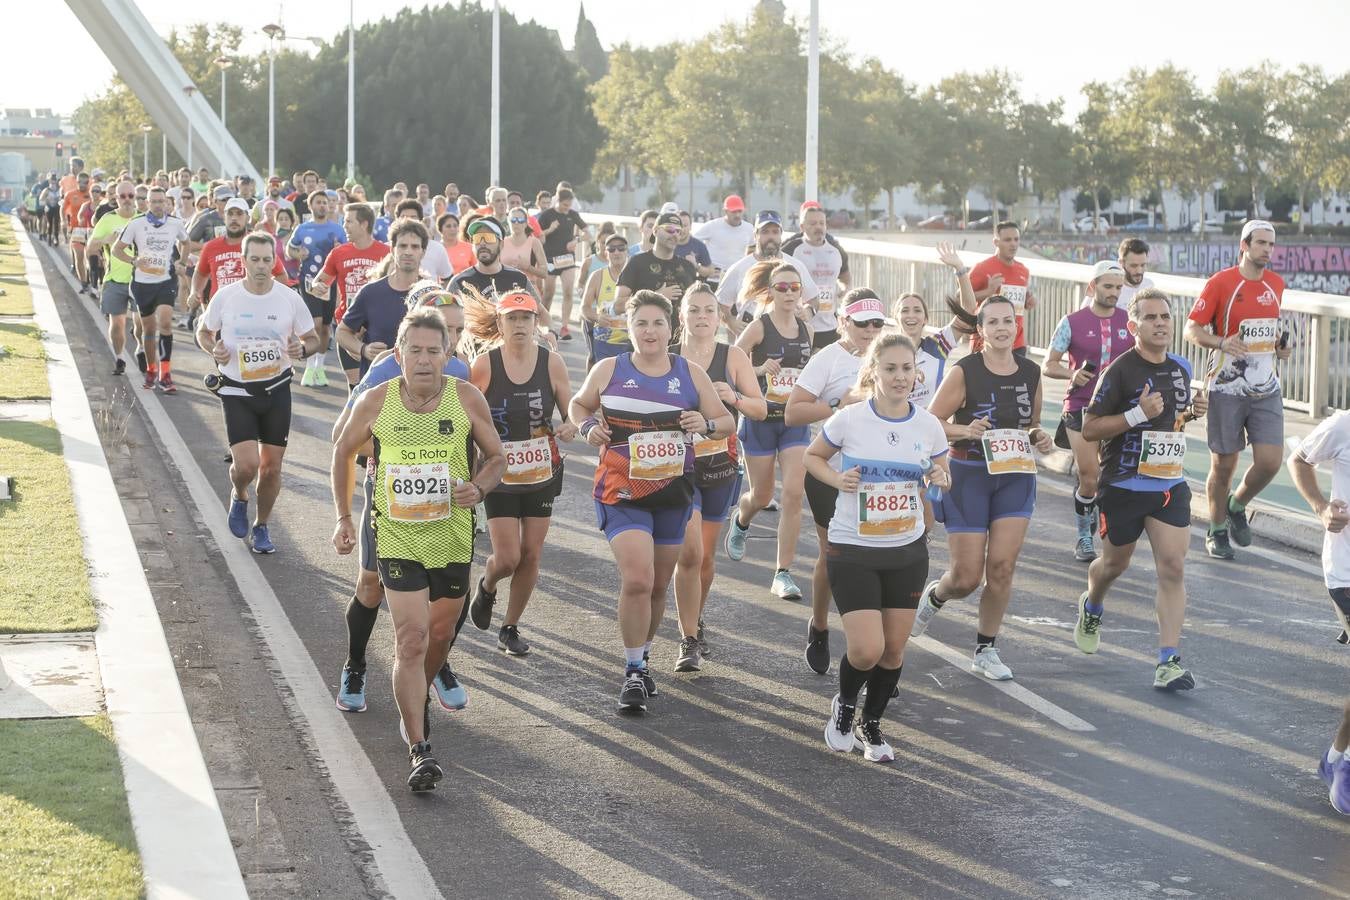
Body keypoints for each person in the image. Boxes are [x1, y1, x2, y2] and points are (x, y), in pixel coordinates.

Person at [332, 307, 505, 791]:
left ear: (447, 355)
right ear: (399, 353)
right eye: (415, 350)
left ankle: (418, 697)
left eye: (434, 351)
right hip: (398, 536)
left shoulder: (465, 398)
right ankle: (418, 745)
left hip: (451, 536)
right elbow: (342, 451)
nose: (425, 360)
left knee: (440, 632)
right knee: (411, 638)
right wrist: (345, 517)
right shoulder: (376, 400)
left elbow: (496, 458)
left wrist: (480, 487)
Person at [568, 290, 734, 711]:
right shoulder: (609, 369)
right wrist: (588, 426)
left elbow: (726, 422)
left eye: (657, 323)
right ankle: (633, 672)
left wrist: (707, 422)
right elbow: (578, 404)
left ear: (670, 328)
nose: (649, 331)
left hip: (672, 494)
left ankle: (642, 658)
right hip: (621, 492)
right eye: (641, 323)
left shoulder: (690, 373)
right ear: (630, 327)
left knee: (659, 585)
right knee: (638, 579)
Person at [808, 333, 951, 762]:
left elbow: (941, 472)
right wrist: (838, 480)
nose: (900, 377)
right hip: (853, 547)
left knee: (892, 650)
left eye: (907, 369)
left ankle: (872, 724)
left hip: (906, 550)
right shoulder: (849, 420)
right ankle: (844, 707)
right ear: (873, 372)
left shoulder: (928, 424)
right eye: (890, 369)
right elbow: (811, 458)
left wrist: (941, 479)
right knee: (867, 649)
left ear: (916, 374)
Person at [329, 287, 471, 715]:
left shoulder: (462, 369)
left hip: (450, 501)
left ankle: (437, 660)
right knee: (371, 586)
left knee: (450, 592)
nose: (435, 351)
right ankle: (355, 665)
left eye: (454, 332)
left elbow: (482, 428)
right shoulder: (384, 370)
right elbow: (344, 439)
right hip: (389, 495)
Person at [1069, 288, 1206, 692]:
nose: (1161, 323)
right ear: (1134, 327)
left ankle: (1168, 661)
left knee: (1174, 566)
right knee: (1114, 566)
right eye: (1151, 317)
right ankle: (1092, 605)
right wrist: (1135, 414)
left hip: (1168, 485)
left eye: (1166, 316)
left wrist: (1192, 413)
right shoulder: (1119, 372)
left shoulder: (1181, 367)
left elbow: (1174, 422)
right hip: (1123, 485)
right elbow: (1090, 427)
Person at [913, 295, 1053, 681]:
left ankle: (986, 649)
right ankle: (937, 595)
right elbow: (929, 423)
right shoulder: (964, 371)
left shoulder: (1031, 371)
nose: (1002, 328)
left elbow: (1032, 423)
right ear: (981, 330)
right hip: (970, 475)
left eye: (1008, 321)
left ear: (1016, 325)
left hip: (1016, 477)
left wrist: (1041, 438)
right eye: (993, 322)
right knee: (966, 577)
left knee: (1003, 567)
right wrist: (964, 430)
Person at [466, 291, 577, 655]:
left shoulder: (552, 363)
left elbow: (570, 413)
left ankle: (510, 627)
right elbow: (468, 415)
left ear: (535, 323)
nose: (518, 325)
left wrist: (569, 426)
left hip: (541, 471)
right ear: (499, 323)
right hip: (499, 473)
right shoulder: (484, 365)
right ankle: (487, 584)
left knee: (531, 554)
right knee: (508, 557)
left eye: (525, 318)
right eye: (511, 318)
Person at [196, 232, 320, 554]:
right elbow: (203, 332)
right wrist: (215, 350)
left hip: (277, 389)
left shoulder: (289, 298)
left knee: (271, 468)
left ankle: (262, 525)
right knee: (247, 466)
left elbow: (313, 338)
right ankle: (239, 494)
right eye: (255, 260)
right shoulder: (226, 296)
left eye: (268, 260)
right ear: (243, 261)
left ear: (274, 261)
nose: (262, 266)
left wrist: (302, 348)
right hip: (237, 390)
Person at [785, 290, 888, 673]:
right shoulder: (826, 359)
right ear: (843, 322)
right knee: (834, 557)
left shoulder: (891, 356)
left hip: (881, 477)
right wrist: (836, 405)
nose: (871, 330)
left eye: (877, 323)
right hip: (829, 471)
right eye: (863, 323)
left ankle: (880, 654)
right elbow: (793, 414)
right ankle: (820, 625)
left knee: (880, 559)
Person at [1184, 220, 1292, 560]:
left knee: (1271, 461)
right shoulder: (1222, 282)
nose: (1267, 250)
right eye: (1261, 243)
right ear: (1244, 245)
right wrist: (1221, 342)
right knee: (1224, 466)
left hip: (1265, 388)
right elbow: (1192, 329)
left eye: (1271, 245)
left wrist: (1281, 348)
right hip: (1227, 389)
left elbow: (1269, 333)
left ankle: (1237, 504)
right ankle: (1216, 530)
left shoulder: (1276, 284)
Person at [672, 283, 766, 671]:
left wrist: (735, 399)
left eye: (708, 310)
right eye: (693, 310)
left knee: (706, 558)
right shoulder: (669, 357)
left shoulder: (734, 356)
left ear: (718, 316)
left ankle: (696, 617)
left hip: (721, 468)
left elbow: (760, 410)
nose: (701, 317)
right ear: (683, 317)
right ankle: (688, 638)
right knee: (689, 555)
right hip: (679, 469)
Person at [724, 260, 815, 600]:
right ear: (770, 291)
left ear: (801, 291)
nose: (789, 293)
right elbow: (732, 362)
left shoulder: (806, 329)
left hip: (793, 423)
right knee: (762, 495)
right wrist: (759, 368)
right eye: (782, 287)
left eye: (794, 287)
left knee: (793, 493)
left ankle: (783, 572)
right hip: (761, 421)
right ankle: (742, 519)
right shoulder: (760, 327)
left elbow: (810, 373)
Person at [1043, 260, 1135, 562]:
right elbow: (1049, 364)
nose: (1113, 293)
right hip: (1080, 405)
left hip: (1117, 409)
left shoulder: (1130, 320)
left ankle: (1096, 514)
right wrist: (1072, 375)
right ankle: (1084, 536)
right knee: (1089, 475)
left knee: (1108, 477)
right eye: (1108, 286)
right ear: (1092, 287)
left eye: (1119, 288)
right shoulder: (1071, 321)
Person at [1289, 411, 1350, 814]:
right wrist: (1321, 507)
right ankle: (1344, 766)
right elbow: (1299, 459)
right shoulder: (1344, 425)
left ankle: (1335, 757)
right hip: (1347, 571)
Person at [113, 186, 189, 392]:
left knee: (165, 323)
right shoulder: (136, 224)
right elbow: (117, 249)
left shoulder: (175, 223)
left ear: (166, 202)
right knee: (148, 330)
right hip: (142, 284)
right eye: (153, 201)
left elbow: (186, 242)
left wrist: (180, 262)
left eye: (161, 201)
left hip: (165, 281)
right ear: (147, 203)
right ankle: (151, 369)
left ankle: (166, 374)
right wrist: (134, 260)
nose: (157, 204)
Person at [337, 219, 432, 380]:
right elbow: (342, 332)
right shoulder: (370, 292)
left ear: (423, 252)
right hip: (378, 386)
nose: (408, 251)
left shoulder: (431, 294)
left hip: (421, 387)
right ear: (392, 249)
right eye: (402, 246)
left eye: (415, 246)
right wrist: (363, 349)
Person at [311, 202, 390, 390]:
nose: (344, 226)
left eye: (348, 221)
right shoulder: (339, 253)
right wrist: (318, 287)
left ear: (364, 224)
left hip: (377, 327)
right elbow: (318, 282)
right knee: (356, 387)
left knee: (380, 387)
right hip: (349, 326)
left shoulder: (386, 253)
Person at [894, 243, 976, 410]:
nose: (911, 315)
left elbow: (968, 312)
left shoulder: (937, 346)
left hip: (928, 424)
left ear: (925, 319)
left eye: (917, 310)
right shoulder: (885, 349)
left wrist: (960, 269)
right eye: (905, 311)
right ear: (896, 318)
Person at [716, 211, 819, 336]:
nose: (771, 237)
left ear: (781, 235)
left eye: (775, 232)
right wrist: (730, 321)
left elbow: (814, 298)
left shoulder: (796, 266)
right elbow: (720, 303)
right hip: (750, 337)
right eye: (765, 232)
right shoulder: (739, 268)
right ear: (755, 235)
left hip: (788, 335)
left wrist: (808, 311)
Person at [287, 190, 347, 386]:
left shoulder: (337, 229)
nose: (323, 205)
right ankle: (310, 366)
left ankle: (319, 366)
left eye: (325, 202)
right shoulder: (303, 229)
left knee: (325, 326)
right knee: (315, 322)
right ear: (310, 206)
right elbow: (290, 248)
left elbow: (346, 251)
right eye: (319, 202)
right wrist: (298, 253)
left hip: (329, 282)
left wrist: (339, 247)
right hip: (309, 280)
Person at [190, 199, 287, 308]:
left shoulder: (260, 244)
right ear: (224, 217)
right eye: (230, 214)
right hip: (220, 310)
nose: (234, 218)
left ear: (248, 218)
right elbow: (200, 273)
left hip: (252, 308)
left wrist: (265, 293)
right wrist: (194, 292)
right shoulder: (211, 247)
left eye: (239, 214)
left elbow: (281, 275)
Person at [86, 181, 140, 375]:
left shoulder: (143, 219)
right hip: (114, 279)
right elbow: (90, 248)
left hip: (140, 281)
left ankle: (140, 347)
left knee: (140, 323)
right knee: (117, 324)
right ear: (116, 199)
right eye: (122, 196)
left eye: (130, 196)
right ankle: (120, 358)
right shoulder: (108, 219)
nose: (127, 200)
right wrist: (105, 240)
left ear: (135, 198)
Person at [782, 201, 851, 349]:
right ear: (802, 227)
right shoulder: (792, 249)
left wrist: (844, 290)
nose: (818, 227)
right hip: (799, 323)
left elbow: (845, 276)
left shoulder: (836, 250)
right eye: (812, 223)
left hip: (829, 324)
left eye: (821, 223)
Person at [968, 222, 1036, 358]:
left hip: (1016, 343)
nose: (1013, 244)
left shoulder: (1023, 270)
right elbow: (960, 297)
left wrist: (1028, 302)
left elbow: (1018, 303)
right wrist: (988, 292)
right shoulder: (982, 268)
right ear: (996, 242)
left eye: (1016, 239)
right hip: (986, 342)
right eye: (1007, 240)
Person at [613, 212, 698, 314]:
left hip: (679, 329)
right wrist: (655, 296)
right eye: (669, 229)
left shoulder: (687, 266)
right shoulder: (637, 262)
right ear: (655, 230)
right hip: (647, 329)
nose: (674, 234)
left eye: (678, 231)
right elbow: (617, 306)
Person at [537, 188, 588, 339]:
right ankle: (543, 324)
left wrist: (576, 240)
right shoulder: (547, 215)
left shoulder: (573, 215)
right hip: (550, 259)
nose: (567, 208)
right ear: (557, 201)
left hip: (567, 259)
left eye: (569, 205)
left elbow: (587, 233)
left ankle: (565, 327)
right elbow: (537, 235)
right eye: (564, 205)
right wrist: (550, 229)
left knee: (568, 291)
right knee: (548, 294)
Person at [581, 231, 633, 369]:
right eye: (611, 249)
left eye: (621, 248)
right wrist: (597, 317)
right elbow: (584, 308)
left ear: (627, 252)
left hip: (631, 341)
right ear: (606, 253)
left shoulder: (637, 275)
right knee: (604, 381)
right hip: (605, 340)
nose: (617, 252)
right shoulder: (597, 276)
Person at [693, 195, 755, 289]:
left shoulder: (749, 229)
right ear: (725, 211)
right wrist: (704, 264)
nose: (737, 215)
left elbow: (754, 249)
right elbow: (693, 242)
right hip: (712, 279)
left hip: (736, 280)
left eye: (740, 211)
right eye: (734, 211)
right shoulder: (713, 226)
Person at [395, 198, 453, 282]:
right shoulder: (388, 247)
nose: (408, 221)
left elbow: (447, 278)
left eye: (413, 217)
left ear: (420, 221)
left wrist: (440, 294)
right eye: (403, 217)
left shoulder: (437, 248)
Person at [499, 205, 548, 291]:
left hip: (528, 288)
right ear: (508, 222)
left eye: (520, 220)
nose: (516, 223)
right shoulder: (502, 243)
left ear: (526, 223)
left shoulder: (534, 243)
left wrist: (528, 267)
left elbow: (544, 273)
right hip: (505, 288)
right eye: (513, 220)